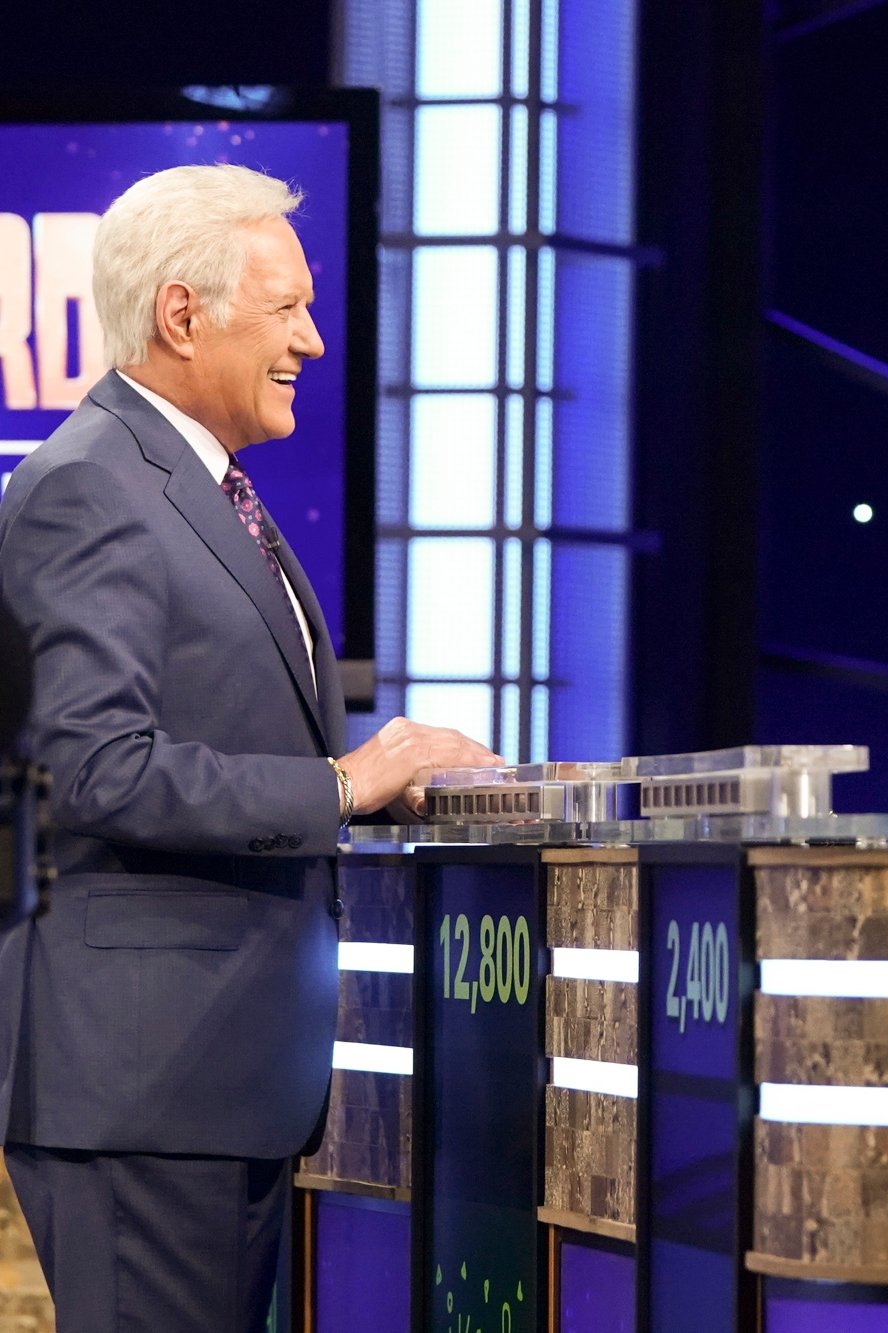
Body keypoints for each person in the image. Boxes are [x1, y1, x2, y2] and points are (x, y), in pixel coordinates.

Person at [0, 164, 500, 1333]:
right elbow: (91, 765)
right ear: (184, 315)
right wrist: (339, 782)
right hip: (144, 1085)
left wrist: (393, 788)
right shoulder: (91, 487)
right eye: (287, 310)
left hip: (214, 1080)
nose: (314, 342)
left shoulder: (195, 485)